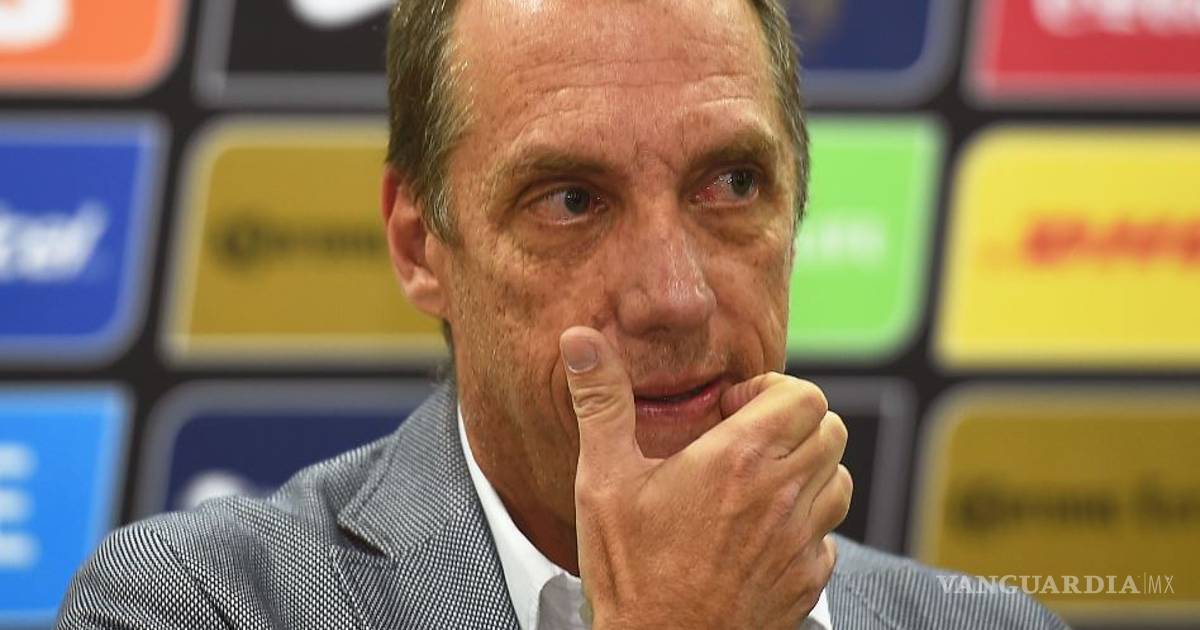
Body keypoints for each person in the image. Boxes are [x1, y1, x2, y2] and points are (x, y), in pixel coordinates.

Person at [57, 0, 1070, 628]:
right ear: (420, 245)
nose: (674, 297)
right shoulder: (195, 605)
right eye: (573, 201)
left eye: (731, 183)